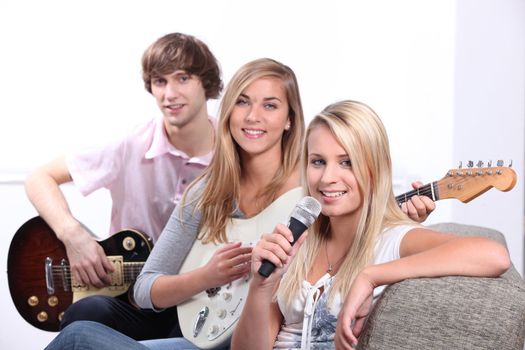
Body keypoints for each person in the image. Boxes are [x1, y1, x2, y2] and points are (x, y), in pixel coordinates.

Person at [43, 62, 436, 349]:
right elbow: (144, 288)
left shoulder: (317, 188)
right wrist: (206, 276)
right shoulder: (207, 191)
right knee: (86, 315)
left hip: (242, 335)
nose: (253, 117)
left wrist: (401, 215)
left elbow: (360, 226)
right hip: (193, 320)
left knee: (80, 337)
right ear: (227, 111)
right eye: (243, 103)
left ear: (289, 119)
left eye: (270, 105)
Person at [230, 100, 511, 350]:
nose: (328, 177)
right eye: (318, 161)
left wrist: (370, 276)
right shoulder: (298, 240)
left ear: (376, 168)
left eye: (347, 162)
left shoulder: (393, 241)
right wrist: (261, 286)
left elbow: (493, 256)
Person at [25, 32, 222, 340]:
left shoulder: (234, 155)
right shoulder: (129, 146)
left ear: (206, 83)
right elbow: (39, 178)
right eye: (159, 82)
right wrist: (74, 237)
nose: (170, 93)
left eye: (182, 78)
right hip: (130, 302)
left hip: (198, 302)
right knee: (85, 314)